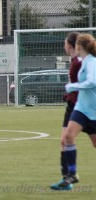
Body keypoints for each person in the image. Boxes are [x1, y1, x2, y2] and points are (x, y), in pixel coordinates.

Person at [51, 33, 96, 190]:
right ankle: (71, 175)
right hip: (80, 108)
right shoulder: (82, 61)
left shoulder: (90, 62)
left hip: (92, 109)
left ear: (78, 46)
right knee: (68, 137)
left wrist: (73, 87)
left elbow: (92, 82)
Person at [50, 32, 82, 190]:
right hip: (72, 105)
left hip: (83, 106)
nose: (64, 46)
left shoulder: (83, 62)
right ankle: (67, 179)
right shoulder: (74, 61)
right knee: (64, 140)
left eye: (65, 43)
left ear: (70, 45)